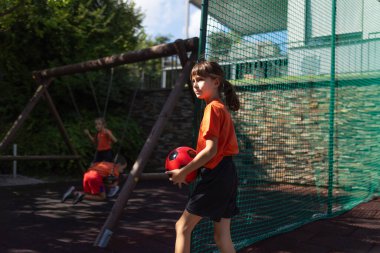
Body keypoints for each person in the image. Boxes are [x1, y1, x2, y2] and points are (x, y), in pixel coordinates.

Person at [166, 61, 240, 253]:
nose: (195, 85)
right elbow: (216, 153)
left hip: (216, 176)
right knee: (222, 236)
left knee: (182, 227)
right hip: (228, 174)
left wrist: (183, 171)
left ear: (216, 82)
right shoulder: (220, 107)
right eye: (193, 81)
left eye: (200, 80)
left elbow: (210, 151)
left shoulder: (212, 109)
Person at [61, 156, 127, 204]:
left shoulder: (104, 163)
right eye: (122, 168)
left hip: (87, 175)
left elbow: (93, 166)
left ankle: (73, 191)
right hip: (95, 177)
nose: (122, 171)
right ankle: (80, 194)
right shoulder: (115, 170)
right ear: (118, 165)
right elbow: (112, 185)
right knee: (102, 197)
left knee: (90, 192)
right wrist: (115, 186)